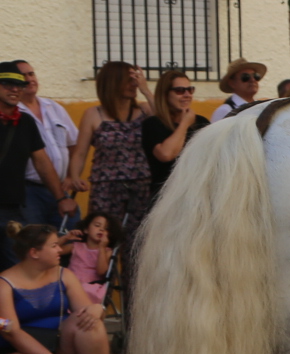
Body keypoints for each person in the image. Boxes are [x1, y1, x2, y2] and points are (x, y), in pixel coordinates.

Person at [0, 221, 112, 354]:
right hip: (26, 352)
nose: (60, 249)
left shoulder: (64, 274)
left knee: (90, 322)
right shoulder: (4, 284)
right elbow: (11, 331)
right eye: (54, 246)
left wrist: (97, 308)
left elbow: (85, 311)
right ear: (34, 253)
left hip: (62, 343)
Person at [0, 67, 82, 268]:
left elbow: (42, 162)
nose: (15, 89)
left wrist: (61, 198)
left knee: (18, 266)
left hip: (12, 208)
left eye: (19, 85)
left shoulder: (25, 122)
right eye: (7, 84)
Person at [70, 61, 156, 241]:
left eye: (135, 80)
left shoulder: (145, 109)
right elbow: (80, 153)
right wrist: (75, 176)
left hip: (140, 188)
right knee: (102, 242)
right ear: (112, 83)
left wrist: (146, 91)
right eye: (128, 80)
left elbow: (164, 121)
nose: (134, 84)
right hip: (106, 189)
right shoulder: (93, 114)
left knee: (138, 244)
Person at [140, 68, 210, 197]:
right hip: (165, 198)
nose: (187, 94)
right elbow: (166, 155)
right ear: (165, 94)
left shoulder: (201, 122)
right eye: (179, 91)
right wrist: (184, 124)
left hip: (196, 196)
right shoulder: (152, 124)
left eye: (190, 89)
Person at [66, 211, 120, 304]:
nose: (101, 229)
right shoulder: (76, 246)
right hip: (70, 283)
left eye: (106, 228)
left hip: (91, 286)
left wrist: (101, 248)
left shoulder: (107, 251)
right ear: (86, 229)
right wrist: (65, 238)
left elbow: (101, 271)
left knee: (86, 290)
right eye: (97, 225)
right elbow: (53, 250)